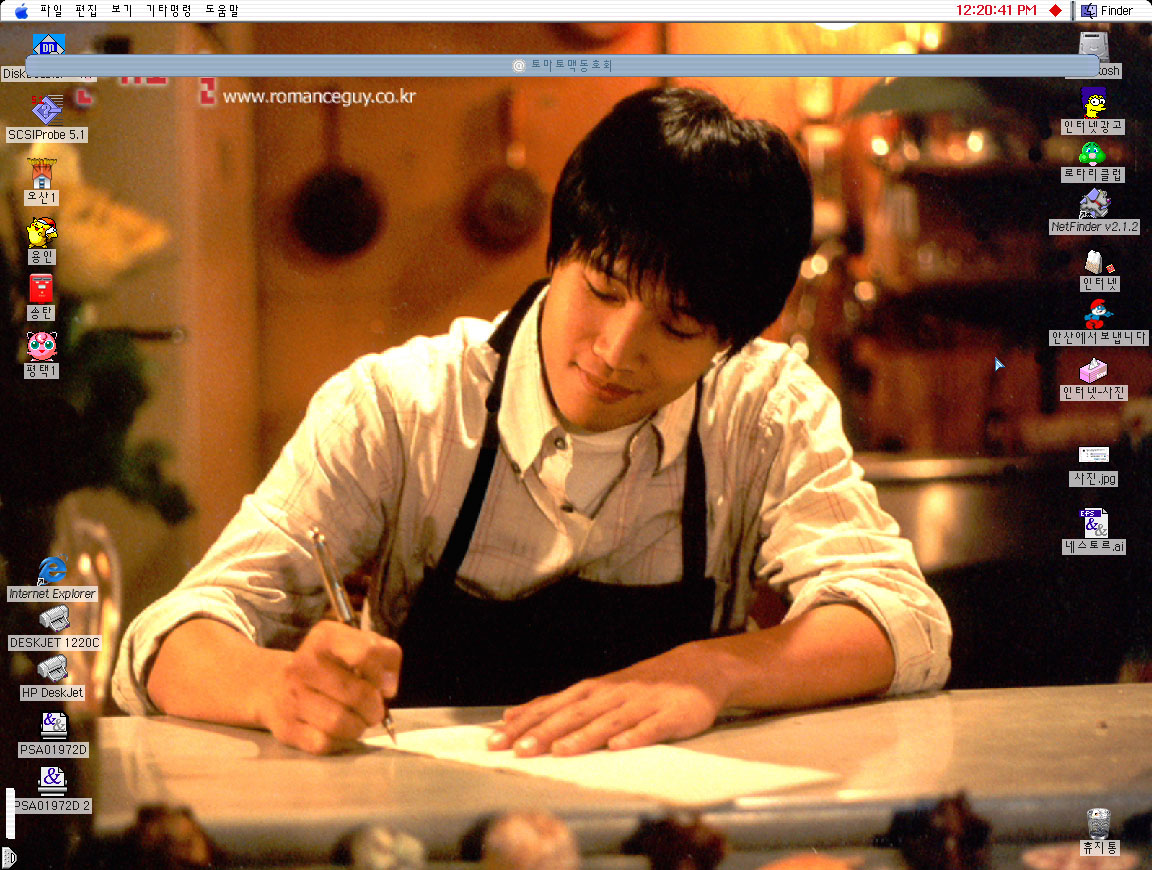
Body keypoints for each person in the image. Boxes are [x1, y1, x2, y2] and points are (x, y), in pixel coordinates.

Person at [112, 87, 951, 757]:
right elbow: (169, 638)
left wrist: (715, 671)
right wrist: (278, 689)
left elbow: (903, 621)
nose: (616, 351)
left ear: (729, 340)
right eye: (603, 290)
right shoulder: (402, 406)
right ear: (557, 255)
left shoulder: (762, 408)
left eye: (678, 327)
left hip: (673, 833)